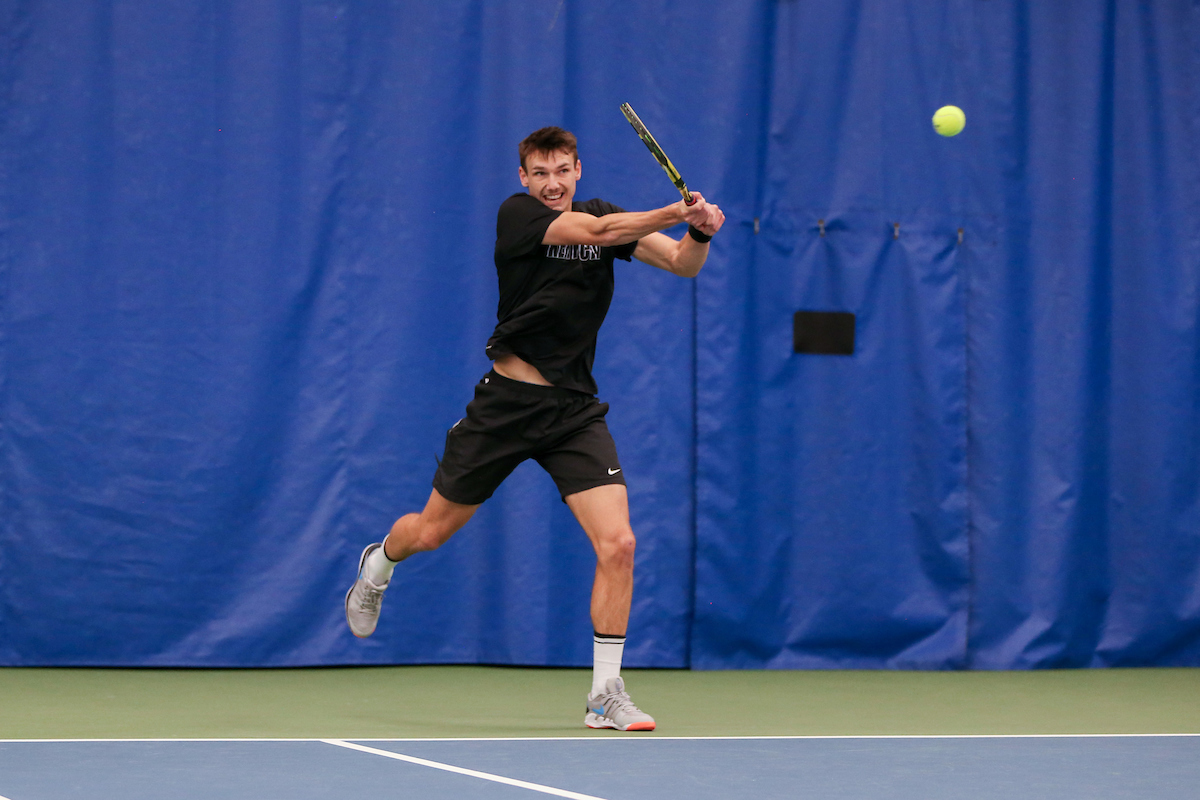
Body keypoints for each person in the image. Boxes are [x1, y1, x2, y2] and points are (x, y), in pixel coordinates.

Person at [345, 126, 724, 731]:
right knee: (431, 532)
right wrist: (677, 209)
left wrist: (698, 233)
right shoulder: (518, 217)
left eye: (563, 171)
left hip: (573, 411)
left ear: (579, 171)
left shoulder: (606, 216)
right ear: (524, 178)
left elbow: (682, 264)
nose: (552, 183)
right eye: (540, 173)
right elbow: (599, 233)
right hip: (506, 406)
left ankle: (605, 695)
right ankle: (380, 563)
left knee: (619, 543)